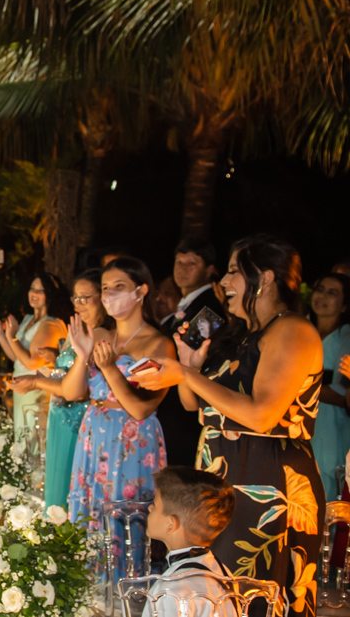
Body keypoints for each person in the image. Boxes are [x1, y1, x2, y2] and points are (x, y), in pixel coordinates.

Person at [133, 235, 324, 617]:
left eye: (235, 271)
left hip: (265, 480)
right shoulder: (241, 335)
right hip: (221, 476)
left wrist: (186, 374)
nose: (224, 283)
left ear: (266, 277)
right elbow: (196, 407)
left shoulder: (292, 331)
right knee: (217, 591)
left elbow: (261, 414)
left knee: (255, 593)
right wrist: (187, 367)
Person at [62, 257, 172, 573]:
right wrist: (82, 356)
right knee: (89, 518)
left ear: (141, 291)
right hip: (94, 435)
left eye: (119, 287)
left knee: (126, 522)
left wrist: (109, 368)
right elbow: (72, 393)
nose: (110, 295)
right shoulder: (99, 335)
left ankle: (126, 594)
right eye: (106, 288)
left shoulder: (159, 342)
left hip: (132, 441)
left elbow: (141, 408)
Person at [9, 268, 110, 508]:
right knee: (54, 486)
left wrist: (35, 381)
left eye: (86, 297)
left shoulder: (100, 335)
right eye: (76, 298)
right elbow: (68, 373)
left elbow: (80, 388)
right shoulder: (82, 332)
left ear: (102, 297)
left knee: (66, 488)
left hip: (76, 417)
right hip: (60, 413)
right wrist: (55, 361)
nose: (79, 304)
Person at [158, 239, 226, 467]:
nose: (183, 269)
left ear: (209, 270)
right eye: (179, 262)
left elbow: (186, 356)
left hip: (185, 410)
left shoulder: (211, 305)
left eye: (192, 263)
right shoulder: (187, 304)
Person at [0, 272, 70, 439]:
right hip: (21, 387)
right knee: (21, 435)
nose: (34, 294)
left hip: (35, 390)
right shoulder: (28, 318)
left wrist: (12, 336)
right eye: (32, 289)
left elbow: (31, 363)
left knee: (33, 437)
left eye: (41, 290)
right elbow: (18, 359)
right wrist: (1, 335)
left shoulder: (51, 324)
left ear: (50, 295)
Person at [143, 467, 237, 617]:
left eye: (154, 505)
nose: (149, 507)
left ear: (171, 524)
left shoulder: (172, 590)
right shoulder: (222, 571)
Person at [311, 274, 350, 500]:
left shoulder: (345, 335)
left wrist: (296, 388)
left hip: (331, 430)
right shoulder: (302, 328)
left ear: (344, 305)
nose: (322, 296)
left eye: (332, 293)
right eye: (320, 289)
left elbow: (341, 392)